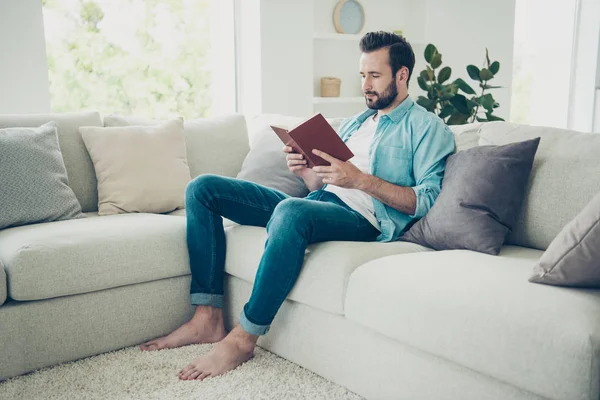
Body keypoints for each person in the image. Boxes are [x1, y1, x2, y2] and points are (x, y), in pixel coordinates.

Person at [139, 30, 455, 381]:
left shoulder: (427, 127)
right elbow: (319, 187)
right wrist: (305, 170)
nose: (366, 84)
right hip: (320, 201)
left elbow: (426, 200)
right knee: (202, 189)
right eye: (362, 75)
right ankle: (206, 317)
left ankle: (243, 338)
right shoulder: (357, 122)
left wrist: (360, 180)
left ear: (402, 75)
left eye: (375, 76)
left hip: (366, 218)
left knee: (291, 212)